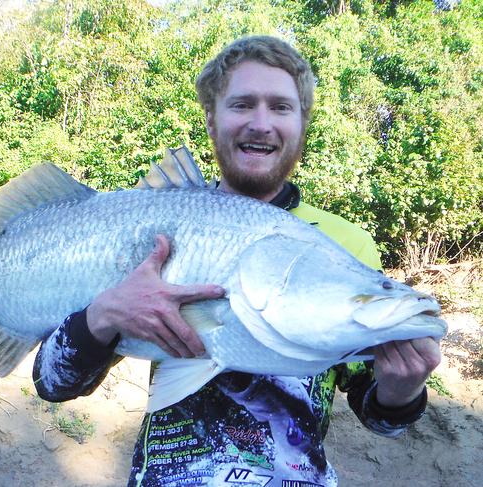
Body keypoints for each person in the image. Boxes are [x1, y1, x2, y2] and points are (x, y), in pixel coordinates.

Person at [32, 36, 441, 486]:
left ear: (303, 123)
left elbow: (379, 416)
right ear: (212, 119)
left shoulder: (347, 244)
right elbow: (54, 384)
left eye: (281, 107)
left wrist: (402, 389)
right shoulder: (146, 227)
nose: (261, 123)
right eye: (242, 104)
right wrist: (106, 312)